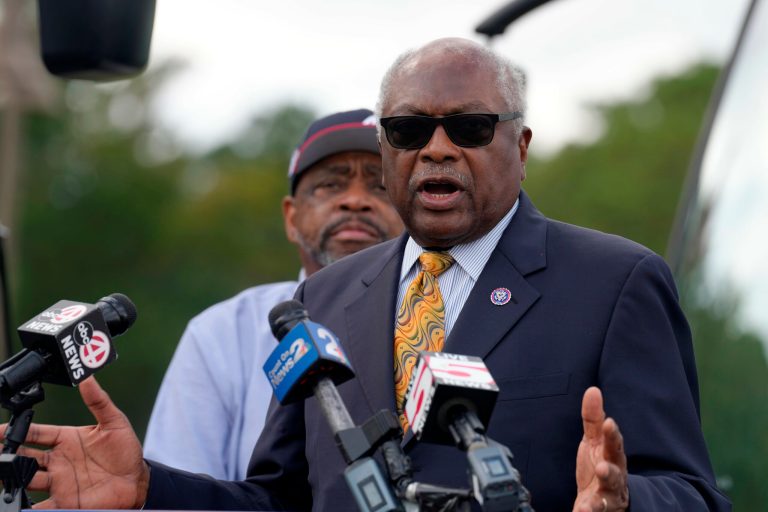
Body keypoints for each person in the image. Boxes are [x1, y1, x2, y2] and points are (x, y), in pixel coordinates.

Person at [1, 38, 730, 512]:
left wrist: (627, 498)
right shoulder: (321, 297)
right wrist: (150, 491)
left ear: (522, 144)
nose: (437, 149)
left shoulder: (615, 281)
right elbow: (281, 500)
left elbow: (694, 491)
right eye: (410, 131)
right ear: (388, 151)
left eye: (470, 128)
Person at [143, 108, 404, 480]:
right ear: (291, 218)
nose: (356, 201)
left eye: (381, 186)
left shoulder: (445, 314)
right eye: (330, 185)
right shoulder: (223, 333)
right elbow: (177, 488)